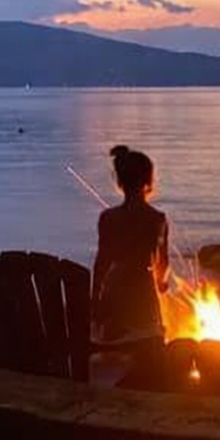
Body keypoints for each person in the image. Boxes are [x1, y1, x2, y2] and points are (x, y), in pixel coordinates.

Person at [92, 145, 172, 342]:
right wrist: (161, 283)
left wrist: (96, 297)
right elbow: (163, 263)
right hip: (143, 291)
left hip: (115, 290)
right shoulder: (158, 219)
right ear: (148, 181)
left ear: (120, 182)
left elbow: (101, 262)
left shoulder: (108, 218)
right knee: (151, 332)